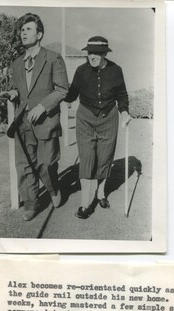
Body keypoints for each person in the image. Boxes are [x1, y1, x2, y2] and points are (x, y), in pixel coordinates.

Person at [1, 13, 69, 221]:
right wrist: (13, 93)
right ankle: (31, 202)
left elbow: (62, 90)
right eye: (22, 30)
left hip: (45, 121)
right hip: (23, 122)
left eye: (28, 29)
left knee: (46, 163)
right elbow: (19, 89)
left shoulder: (53, 58)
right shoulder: (17, 63)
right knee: (25, 164)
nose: (23, 32)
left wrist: (42, 106)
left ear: (39, 35)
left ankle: (53, 188)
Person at [65, 36, 131, 219]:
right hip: (85, 117)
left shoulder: (116, 71)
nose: (91, 56)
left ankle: (101, 193)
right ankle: (85, 203)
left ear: (104, 54)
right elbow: (71, 95)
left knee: (104, 158)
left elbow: (122, 95)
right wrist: (60, 91)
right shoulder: (81, 71)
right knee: (86, 158)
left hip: (109, 118)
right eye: (89, 52)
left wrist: (124, 112)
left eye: (96, 53)